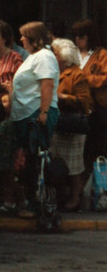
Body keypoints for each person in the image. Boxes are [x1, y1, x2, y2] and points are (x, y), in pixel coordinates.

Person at [4, 21, 60, 218]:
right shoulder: (33, 57)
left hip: (35, 114)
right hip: (25, 115)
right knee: (26, 161)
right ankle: (29, 204)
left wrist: (43, 112)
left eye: (24, 36)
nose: (21, 39)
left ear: (33, 38)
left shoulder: (44, 56)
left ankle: (36, 206)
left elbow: (47, 84)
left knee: (33, 162)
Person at [50, 38, 92, 211]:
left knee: (73, 165)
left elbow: (85, 102)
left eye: (55, 52)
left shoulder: (76, 74)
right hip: (58, 123)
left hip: (72, 125)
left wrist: (63, 97)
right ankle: (61, 194)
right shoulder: (54, 70)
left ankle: (75, 197)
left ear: (63, 56)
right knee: (56, 160)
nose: (52, 55)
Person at [0, 20, 24, 212]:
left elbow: (22, 85)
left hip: (9, 112)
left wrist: (9, 89)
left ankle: (12, 198)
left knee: (5, 157)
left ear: (5, 39)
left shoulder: (15, 59)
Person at [73, 18, 107, 200]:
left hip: (97, 106)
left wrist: (83, 79)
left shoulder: (101, 54)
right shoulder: (74, 54)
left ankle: (95, 189)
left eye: (82, 36)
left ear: (90, 37)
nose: (78, 40)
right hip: (77, 106)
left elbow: (104, 78)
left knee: (95, 147)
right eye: (76, 36)